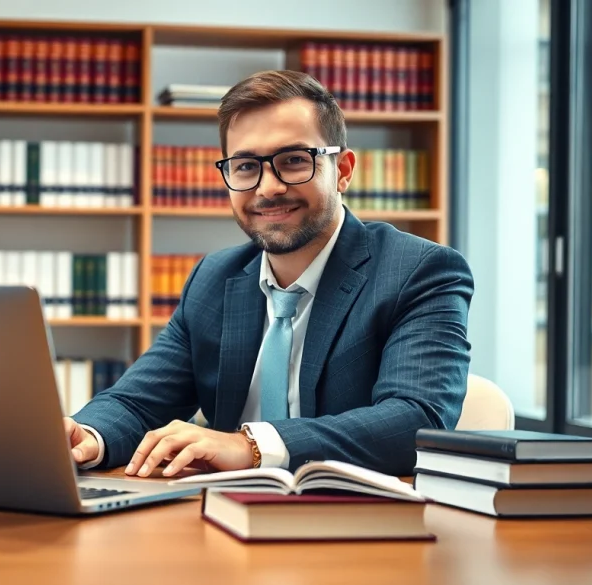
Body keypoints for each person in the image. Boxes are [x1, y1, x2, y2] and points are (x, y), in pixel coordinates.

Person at [64, 69, 474, 479]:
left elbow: (417, 421)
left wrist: (253, 446)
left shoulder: (420, 272)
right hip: (220, 518)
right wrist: (85, 435)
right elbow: (137, 403)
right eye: (245, 166)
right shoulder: (214, 278)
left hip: (355, 523)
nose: (268, 187)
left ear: (344, 170)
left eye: (294, 161)